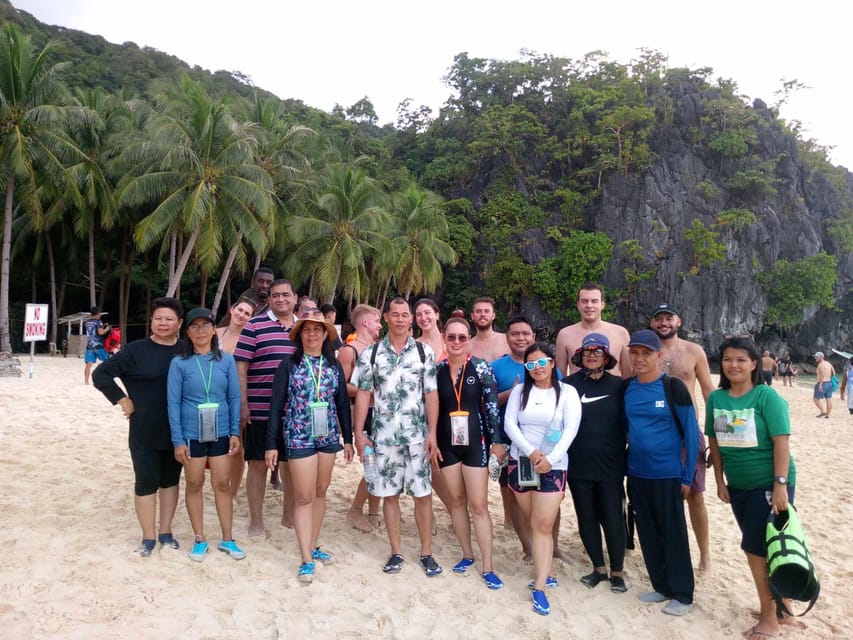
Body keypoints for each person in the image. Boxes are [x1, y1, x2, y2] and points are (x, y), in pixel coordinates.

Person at [705, 336, 797, 640]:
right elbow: (715, 444)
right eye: (728, 359)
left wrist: (780, 485)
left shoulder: (766, 397)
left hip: (769, 483)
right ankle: (782, 607)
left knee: (755, 549)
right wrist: (719, 481)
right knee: (766, 546)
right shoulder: (716, 400)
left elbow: (781, 442)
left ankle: (770, 619)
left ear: (754, 364)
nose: (733, 365)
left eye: (741, 360)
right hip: (738, 486)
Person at [352, 297, 442, 577]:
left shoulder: (424, 352)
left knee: (423, 495)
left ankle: (426, 552)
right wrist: (358, 432)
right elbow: (364, 392)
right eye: (395, 314)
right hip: (383, 437)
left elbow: (431, 394)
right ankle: (396, 552)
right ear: (387, 318)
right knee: (389, 495)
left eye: (406, 315)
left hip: (417, 436)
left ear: (411, 320)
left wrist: (433, 433)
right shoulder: (371, 353)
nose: (401, 319)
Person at [265, 310, 354, 583]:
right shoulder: (288, 364)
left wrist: (347, 439)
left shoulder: (333, 365)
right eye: (307, 330)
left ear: (326, 334)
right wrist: (271, 444)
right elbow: (276, 405)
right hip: (298, 436)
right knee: (303, 496)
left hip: (327, 437)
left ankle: (313, 545)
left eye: (318, 329)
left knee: (320, 492)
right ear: (299, 334)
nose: (312, 334)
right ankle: (305, 558)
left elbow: (341, 404)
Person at [92, 297, 185, 556]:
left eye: (169, 319)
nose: (163, 323)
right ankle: (148, 537)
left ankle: (166, 532)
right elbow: (101, 375)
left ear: (179, 323)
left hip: (178, 430)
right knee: (145, 482)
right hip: (144, 428)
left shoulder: (186, 351)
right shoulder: (135, 350)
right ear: (151, 322)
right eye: (158, 319)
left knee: (170, 480)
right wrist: (122, 400)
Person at [624, 329, 698, 617]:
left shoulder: (673, 387)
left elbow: (690, 433)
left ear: (660, 355)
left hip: (667, 474)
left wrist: (687, 476)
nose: (639, 358)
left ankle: (683, 593)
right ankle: (662, 585)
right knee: (648, 532)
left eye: (646, 353)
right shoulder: (627, 388)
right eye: (635, 353)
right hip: (637, 473)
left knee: (673, 534)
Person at [504, 342, 581, 615]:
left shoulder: (568, 393)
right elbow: (510, 424)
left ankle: (539, 587)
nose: (537, 369)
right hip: (522, 462)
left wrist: (549, 458)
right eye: (530, 365)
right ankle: (545, 569)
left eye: (541, 363)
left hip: (554, 465)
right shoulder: (519, 391)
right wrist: (531, 452)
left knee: (542, 524)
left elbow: (571, 429)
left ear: (551, 363)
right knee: (531, 521)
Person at [167, 309, 245, 562]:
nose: (200, 331)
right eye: (195, 326)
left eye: (205, 325)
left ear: (214, 330)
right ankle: (199, 538)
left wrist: (235, 431)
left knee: (222, 484)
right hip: (191, 433)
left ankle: (227, 539)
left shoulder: (227, 361)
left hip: (221, 431)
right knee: (194, 483)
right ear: (187, 332)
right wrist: (178, 440)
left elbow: (234, 398)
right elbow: (173, 403)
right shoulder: (179, 363)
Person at [435, 317, 505, 589]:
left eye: (461, 338)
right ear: (444, 338)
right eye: (451, 337)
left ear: (468, 341)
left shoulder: (481, 368)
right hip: (446, 443)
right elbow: (431, 409)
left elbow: (491, 408)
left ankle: (487, 565)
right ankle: (467, 554)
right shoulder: (436, 370)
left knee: (478, 506)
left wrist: (497, 442)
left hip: (476, 442)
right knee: (455, 501)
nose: (456, 342)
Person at [649, 303, 715, 571]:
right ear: (652, 324)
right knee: (661, 495)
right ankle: (665, 549)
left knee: (696, 495)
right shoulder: (644, 352)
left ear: (679, 321)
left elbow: (710, 393)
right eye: (658, 318)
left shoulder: (693, 351)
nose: (664, 323)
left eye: (669, 318)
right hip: (654, 433)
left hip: (688, 432)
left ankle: (705, 554)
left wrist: (713, 438)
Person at [234, 278, 299, 537]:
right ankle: (256, 520)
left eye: (286, 294)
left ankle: (288, 515)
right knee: (257, 465)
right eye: (275, 295)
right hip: (260, 409)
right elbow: (241, 367)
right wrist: (243, 404)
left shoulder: (304, 328)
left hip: (295, 413)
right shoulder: (254, 326)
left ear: (295, 297)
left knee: (291, 466)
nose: (281, 299)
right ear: (269, 299)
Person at [565, 333, 628, 593]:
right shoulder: (568, 385)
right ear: (580, 356)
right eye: (588, 351)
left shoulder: (620, 385)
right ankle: (598, 568)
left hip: (611, 463)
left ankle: (618, 571)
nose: (592, 355)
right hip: (578, 463)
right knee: (586, 516)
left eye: (598, 351)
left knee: (613, 517)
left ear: (607, 356)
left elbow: (631, 422)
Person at [489, 316, 536, 560]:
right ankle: (527, 547)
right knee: (513, 491)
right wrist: (511, 393)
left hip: (539, 443)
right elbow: (488, 404)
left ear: (533, 337)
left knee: (540, 495)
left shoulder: (543, 365)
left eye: (525, 334)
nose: (520, 338)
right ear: (506, 339)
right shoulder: (497, 367)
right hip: (508, 440)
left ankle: (548, 545)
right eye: (514, 334)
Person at [340, 304, 383, 533]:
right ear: (366, 322)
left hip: (382, 413)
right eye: (377, 321)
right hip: (363, 413)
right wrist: (369, 391)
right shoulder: (350, 350)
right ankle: (356, 509)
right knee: (372, 464)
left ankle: (374, 510)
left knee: (383, 463)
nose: (380, 325)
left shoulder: (380, 348)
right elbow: (341, 387)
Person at [555, 283, 631, 376]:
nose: (589, 305)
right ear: (578, 305)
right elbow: (560, 378)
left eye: (594, 301)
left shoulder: (620, 333)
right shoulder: (565, 335)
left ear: (602, 304)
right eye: (584, 301)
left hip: (612, 390)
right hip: (577, 389)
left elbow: (628, 376)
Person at [469, 296, 509, 362]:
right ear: (472, 316)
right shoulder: (467, 347)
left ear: (493, 316)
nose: (482, 314)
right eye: (478, 311)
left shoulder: (507, 341)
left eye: (486, 311)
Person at [83, 306, 110, 384]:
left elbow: (93, 331)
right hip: (99, 345)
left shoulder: (87, 322)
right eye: (100, 313)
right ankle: (106, 378)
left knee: (89, 363)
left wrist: (103, 326)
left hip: (89, 345)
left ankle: (86, 381)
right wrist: (107, 329)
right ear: (97, 313)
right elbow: (100, 332)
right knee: (107, 361)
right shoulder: (98, 322)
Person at [812, 351, 835, 418]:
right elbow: (833, 373)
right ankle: (828, 415)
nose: (815, 358)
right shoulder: (828, 363)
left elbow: (822, 374)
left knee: (815, 399)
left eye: (816, 357)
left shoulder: (820, 365)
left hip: (823, 383)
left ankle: (823, 411)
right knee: (828, 399)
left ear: (821, 357)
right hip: (829, 382)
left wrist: (820, 384)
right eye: (815, 357)